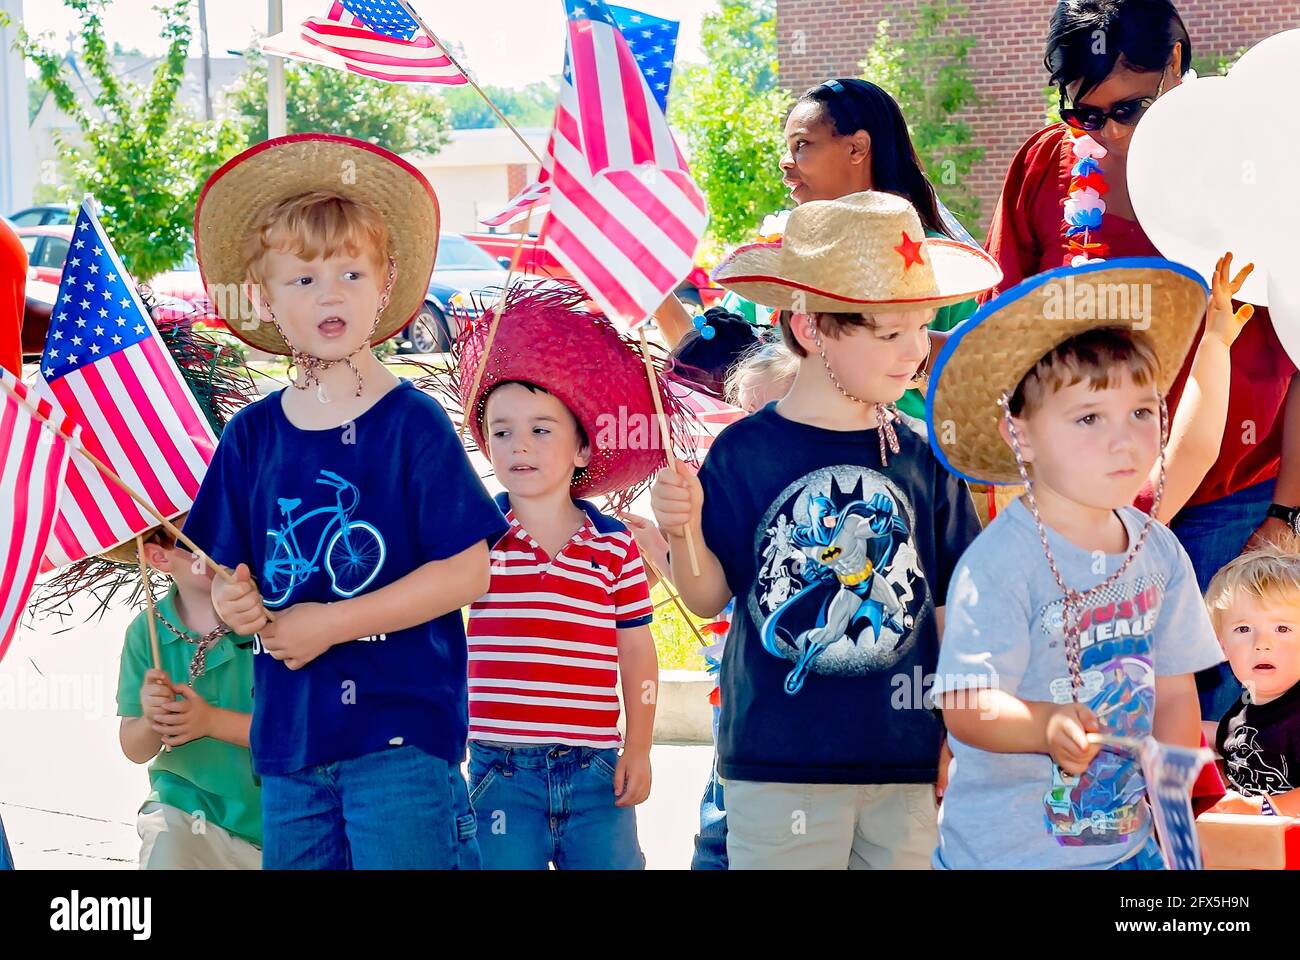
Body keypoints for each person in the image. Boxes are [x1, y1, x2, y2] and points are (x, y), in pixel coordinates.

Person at [182, 134, 507, 869]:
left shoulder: (411, 422)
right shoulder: (250, 437)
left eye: (350, 272)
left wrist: (334, 622)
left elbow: (468, 574)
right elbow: (221, 592)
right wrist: (235, 607)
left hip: (400, 742)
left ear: (386, 282)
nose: (329, 293)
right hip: (291, 746)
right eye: (301, 280)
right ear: (263, 296)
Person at [652, 190, 1000, 869]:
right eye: (890, 331)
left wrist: (960, 731)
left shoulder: (926, 455)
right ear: (812, 328)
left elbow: (952, 608)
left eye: (921, 326)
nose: (915, 350)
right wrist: (683, 528)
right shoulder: (744, 453)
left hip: (906, 764)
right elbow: (703, 597)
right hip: (777, 766)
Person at [985, 0, 1299, 720]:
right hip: (1094, 508)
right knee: (1107, 743)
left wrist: (1287, 513)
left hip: (1233, 506)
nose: (1110, 133)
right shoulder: (1044, 166)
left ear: (1178, 65)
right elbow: (1007, 333)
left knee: (1231, 739)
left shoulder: (1255, 157)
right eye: (1086, 116)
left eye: (1129, 107)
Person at [926, 258, 1224, 868]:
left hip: (1130, 847)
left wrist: (1175, 825)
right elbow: (966, 704)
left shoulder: (1159, 552)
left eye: (1142, 412)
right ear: (1022, 436)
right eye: (1089, 418)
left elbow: (1173, 694)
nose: (1124, 440)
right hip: (1009, 856)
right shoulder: (1000, 563)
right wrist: (1044, 724)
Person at [455, 284, 665, 869]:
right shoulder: (475, 535)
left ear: (581, 450)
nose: (518, 444)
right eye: (501, 431)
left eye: (541, 430)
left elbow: (636, 650)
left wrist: (640, 748)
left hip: (597, 767)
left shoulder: (613, 545)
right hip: (500, 768)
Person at [116, 517, 261, 869]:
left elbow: (295, 732)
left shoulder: (267, 618)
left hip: (273, 818)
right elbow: (134, 748)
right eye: (198, 534)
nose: (222, 540)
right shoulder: (144, 633)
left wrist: (210, 722)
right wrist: (152, 718)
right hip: (183, 804)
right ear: (159, 557)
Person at [1204, 544, 1300, 817]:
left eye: (1282, 628)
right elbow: (1227, 734)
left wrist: (1264, 809)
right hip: (1253, 848)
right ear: (1221, 647)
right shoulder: (1246, 708)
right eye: (1243, 629)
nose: (1262, 643)